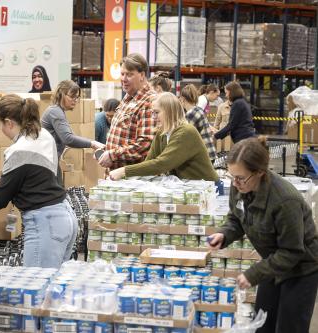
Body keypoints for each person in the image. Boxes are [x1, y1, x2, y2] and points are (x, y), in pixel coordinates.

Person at [207, 136, 318, 333]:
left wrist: (254, 274)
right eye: (231, 176)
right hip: (272, 262)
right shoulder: (240, 187)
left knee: (289, 327)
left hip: (302, 268)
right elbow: (236, 217)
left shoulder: (285, 201)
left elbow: (292, 251)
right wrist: (224, 234)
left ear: (259, 172)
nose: (234, 183)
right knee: (262, 323)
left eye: (240, 178)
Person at [0, 95, 78, 269]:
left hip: (45, 223)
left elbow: (1, 197)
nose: (0, 128)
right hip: (65, 216)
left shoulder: (18, 150)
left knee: (35, 290)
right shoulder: (44, 134)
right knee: (53, 289)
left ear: (9, 123)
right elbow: (41, 173)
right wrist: (12, 178)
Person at [109, 92, 218, 182]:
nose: (153, 117)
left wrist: (124, 171)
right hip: (188, 188)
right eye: (152, 113)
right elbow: (149, 161)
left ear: (170, 111)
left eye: (156, 112)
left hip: (207, 189)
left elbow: (162, 163)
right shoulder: (162, 133)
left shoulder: (186, 132)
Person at [99, 53, 156, 171]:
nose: (124, 79)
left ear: (142, 75)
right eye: (122, 74)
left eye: (129, 75)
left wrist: (112, 155)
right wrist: (107, 150)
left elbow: (145, 144)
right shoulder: (128, 97)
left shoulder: (149, 102)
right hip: (117, 176)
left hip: (132, 180)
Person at [41, 80, 104, 184]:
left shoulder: (57, 111)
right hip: (47, 165)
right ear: (61, 94)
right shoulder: (55, 112)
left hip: (50, 163)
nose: (75, 100)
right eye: (72, 96)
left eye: (77, 97)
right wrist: (93, 143)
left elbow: (68, 136)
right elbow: (68, 139)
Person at [179, 84, 217, 162]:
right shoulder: (198, 110)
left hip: (205, 155)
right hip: (210, 152)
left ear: (182, 99)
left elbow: (185, 136)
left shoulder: (191, 114)